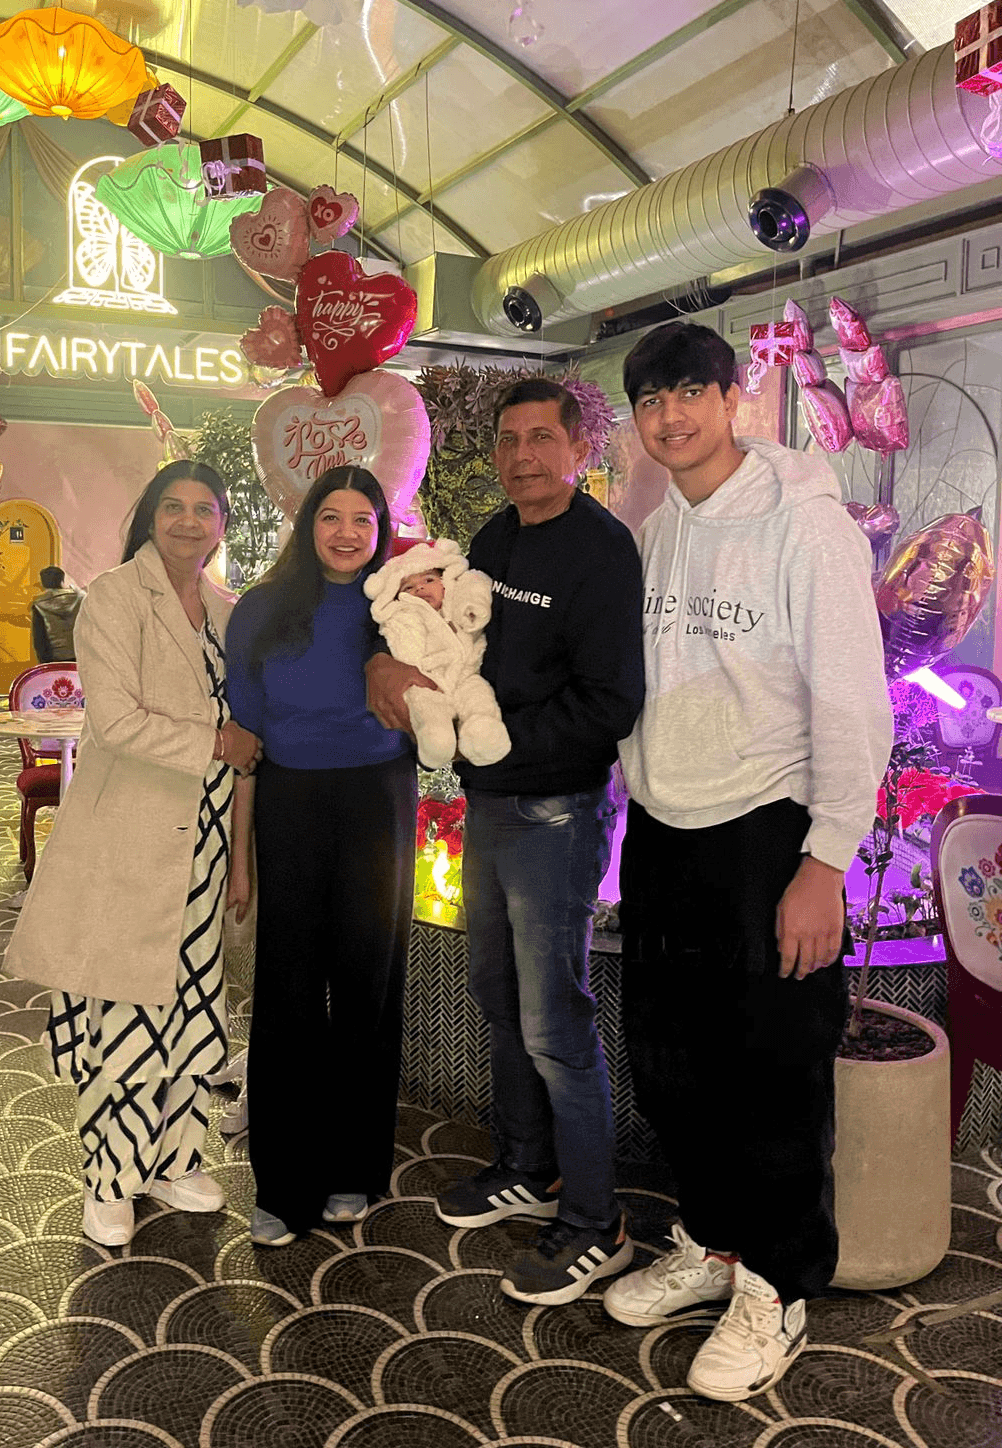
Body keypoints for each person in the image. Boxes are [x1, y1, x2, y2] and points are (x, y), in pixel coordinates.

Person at [603, 322, 893, 1401]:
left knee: (774, 1071)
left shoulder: (805, 526)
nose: (670, 415)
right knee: (672, 1063)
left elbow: (853, 700)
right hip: (664, 829)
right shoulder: (656, 531)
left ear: (734, 399)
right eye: (651, 400)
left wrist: (826, 861)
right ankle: (715, 1243)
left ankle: (778, 1284)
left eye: (690, 391)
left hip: (766, 833)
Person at [368, 377, 645, 1307]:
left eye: (541, 438)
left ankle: (597, 1222)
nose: (523, 456)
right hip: (489, 804)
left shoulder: (603, 552)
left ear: (578, 448)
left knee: (555, 1022)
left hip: (556, 811)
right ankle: (529, 1164)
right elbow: (453, 645)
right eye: (509, 440)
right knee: (495, 992)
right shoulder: (491, 541)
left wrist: (500, 745)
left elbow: (611, 702)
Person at [4, 462, 262, 1248]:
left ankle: (175, 1160)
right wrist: (213, 741)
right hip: (130, 838)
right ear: (150, 515)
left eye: (204, 509)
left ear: (222, 523)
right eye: (172, 506)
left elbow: (249, 745)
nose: (188, 521)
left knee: (192, 1003)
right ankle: (111, 1176)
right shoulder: (115, 597)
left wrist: (241, 856)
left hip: (207, 842)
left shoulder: (229, 612)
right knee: (122, 1009)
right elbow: (115, 722)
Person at [225, 465, 418, 1247]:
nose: (346, 533)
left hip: (379, 798)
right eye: (331, 517)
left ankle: (353, 1168)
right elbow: (245, 736)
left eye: (361, 520)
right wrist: (241, 858)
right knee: (289, 990)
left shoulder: (399, 607)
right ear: (307, 526)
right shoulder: (262, 609)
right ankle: (283, 1183)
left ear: (380, 529)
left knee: (369, 982)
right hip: (291, 799)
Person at [362, 537, 510, 770]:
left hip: (465, 676)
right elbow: (398, 642)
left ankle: (484, 735)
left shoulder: (455, 603)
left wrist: (472, 610)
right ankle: (436, 741)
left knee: (478, 697)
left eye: (429, 580)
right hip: (426, 680)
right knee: (428, 709)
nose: (419, 588)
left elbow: (476, 584)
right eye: (408, 587)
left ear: (445, 582)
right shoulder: (402, 614)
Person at [30, 565, 84, 662]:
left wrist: (44, 663)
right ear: (62, 580)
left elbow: (40, 639)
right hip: (82, 654)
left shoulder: (39, 605)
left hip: (55, 659)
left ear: (43, 584)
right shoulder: (80, 598)